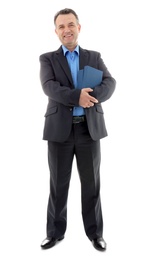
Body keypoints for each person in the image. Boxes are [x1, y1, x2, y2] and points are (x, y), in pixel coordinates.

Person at [39, 8, 116, 251]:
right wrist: (76, 97)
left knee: (92, 185)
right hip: (59, 131)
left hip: (88, 131)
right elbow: (49, 87)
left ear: (79, 27)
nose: (66, 30)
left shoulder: (94, 57)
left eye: (70, 25)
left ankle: (95, 235)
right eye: (61, 27)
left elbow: (110, 83)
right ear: (56, 32)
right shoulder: (48, 59)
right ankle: (54, 233)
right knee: (58, 185)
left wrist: (89, 98)